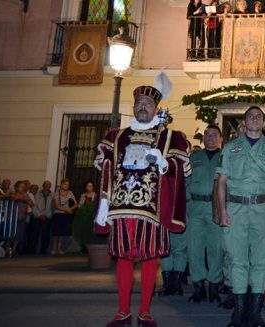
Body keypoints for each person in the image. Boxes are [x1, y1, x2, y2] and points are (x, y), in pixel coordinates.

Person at [94, 85, 191, 327]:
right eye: (139, 103)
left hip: (152, 211)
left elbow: (182, 170)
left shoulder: (170, 137)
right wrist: (105, 203)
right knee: (123, 258)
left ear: (156, 109)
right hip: (120, 208)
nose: (143, 107)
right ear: (134, 106)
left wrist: (163, 162)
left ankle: (145, 311)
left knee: (150, 259)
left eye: (148, 103)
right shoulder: (116, 135)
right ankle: (123, 311)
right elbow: (104, 167)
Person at [214, 106, 265, 327]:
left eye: (259, 117)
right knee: (237, 261)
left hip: (263, 210)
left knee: (260, 262)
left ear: (263, 123)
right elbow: (221, 182)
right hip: (235, 210)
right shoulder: (230, 148)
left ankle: (255, 313)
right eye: (250, 116)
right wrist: (222, 211)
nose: (255, 119)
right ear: (244, 122)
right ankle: (239, 311)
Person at [186, 125, 230, 306]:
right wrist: (184, 210)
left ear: (220, 138)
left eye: (214, 135)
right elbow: (185, 183)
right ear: (203, 138)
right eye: (207, 135)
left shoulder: (227, 158)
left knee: (216, 249)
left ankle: (213, 286)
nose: (210, 138)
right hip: (195, 208)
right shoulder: (193, 157)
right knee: (194, 248)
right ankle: (198, 287)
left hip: (217, 209)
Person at [51, 179, 77, 256]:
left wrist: (70, 209)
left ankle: (59, 248)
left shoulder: (70, 193)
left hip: (66, 215)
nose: (67, 186)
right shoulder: (56, 193)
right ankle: (54, 248)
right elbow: (56, 205)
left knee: (62, 232)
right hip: (58, 214)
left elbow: (76, 204)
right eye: (65, 184)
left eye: (68, 184)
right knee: (56, 232)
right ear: (61, 185)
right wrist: (66, 210)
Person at [29, 181, 53, 254]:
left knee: (45, 235)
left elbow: (53, 207)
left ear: (50, 186)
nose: (47, 186)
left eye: (49, 185)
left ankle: (44, 250)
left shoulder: (53, 195)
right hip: (37, 217)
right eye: (45, 184)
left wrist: (47, 215)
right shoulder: (36, 194)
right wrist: (39, 215)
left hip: (47, 217)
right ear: (43, 185)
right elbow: (33, 205)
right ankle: (32, 250)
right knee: (34, 235)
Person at [11, 181, 33, 256]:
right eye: (21, 186)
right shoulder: (12, 193)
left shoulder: (26, 195)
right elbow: (14, 198)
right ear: (16, 187)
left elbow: (31, 203)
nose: (23, 188)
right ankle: (8, 249)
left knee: (19, 233)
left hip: (22, 216)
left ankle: (13, 249)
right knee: (10, 232)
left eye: (24, 186)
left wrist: (25, 201)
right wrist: (24, 200)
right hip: (12, 217)